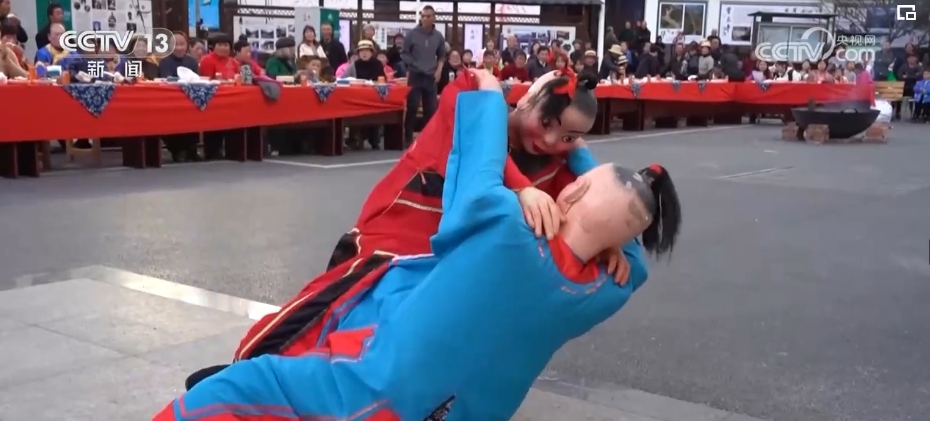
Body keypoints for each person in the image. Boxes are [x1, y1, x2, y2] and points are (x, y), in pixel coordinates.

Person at [159, 71, 679, 421]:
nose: (552, 143)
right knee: (322, 320)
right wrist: (544, 196)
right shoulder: (473, 103)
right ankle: (254, 372)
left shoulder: (536, 177)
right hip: (393, 248)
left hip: (440, 270)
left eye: (569, 139)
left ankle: (254, 389)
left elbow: (552, 197)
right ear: (525, 100)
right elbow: (483, 139)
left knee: (357, 356)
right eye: (549, 126)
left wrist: (595, 227)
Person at [401, 4, 446, 146]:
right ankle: (408, 137)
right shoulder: (412, 34)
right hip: (415, 75)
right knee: (412, 106)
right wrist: (413, 64)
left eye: (428, 16)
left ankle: (429, 139)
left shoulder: (438, 36)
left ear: (434, 18)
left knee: (430, 109)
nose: (425, 18)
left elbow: (442, 55)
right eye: (423, 16)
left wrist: (439, 70)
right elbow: (404, 53)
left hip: (431, 76)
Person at [158, 31, 201, 162]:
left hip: (190, 99)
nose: (179, 48)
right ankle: (177, 150)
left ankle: (192, 149)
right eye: (175, 44)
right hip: (171, 101)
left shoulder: (192, 61)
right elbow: (166, 79)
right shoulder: (164, 62)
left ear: (187, 45)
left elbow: (197, 79)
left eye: (182, 44)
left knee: (197, 113)